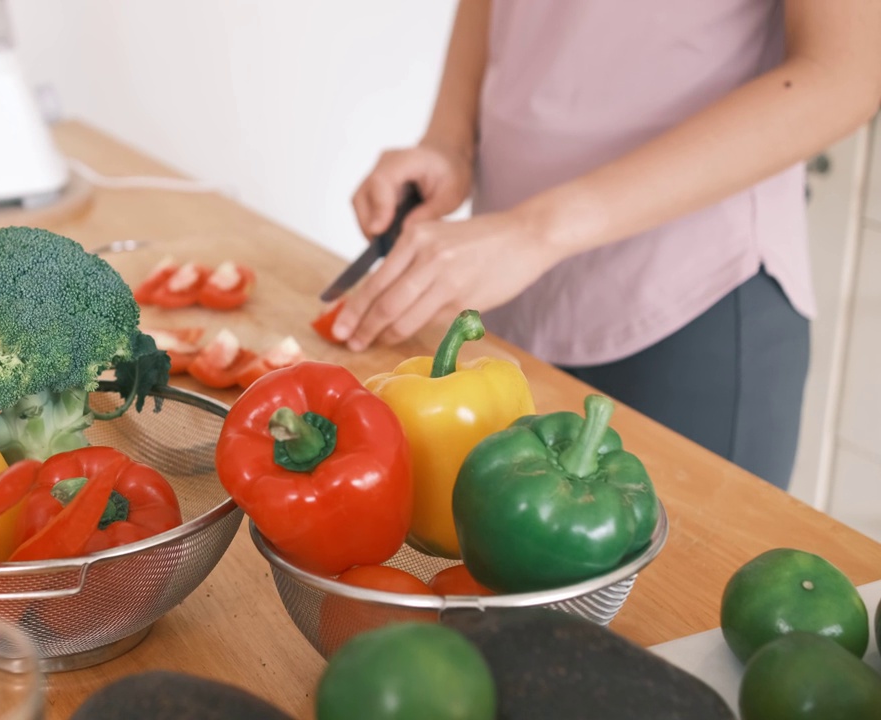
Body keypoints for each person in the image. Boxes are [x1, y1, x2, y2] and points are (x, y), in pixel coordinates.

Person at [332, 0, 881, 490]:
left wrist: (536, 229)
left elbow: (845, 74)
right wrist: (448, 141)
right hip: (511, 284)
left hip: (693, 300)